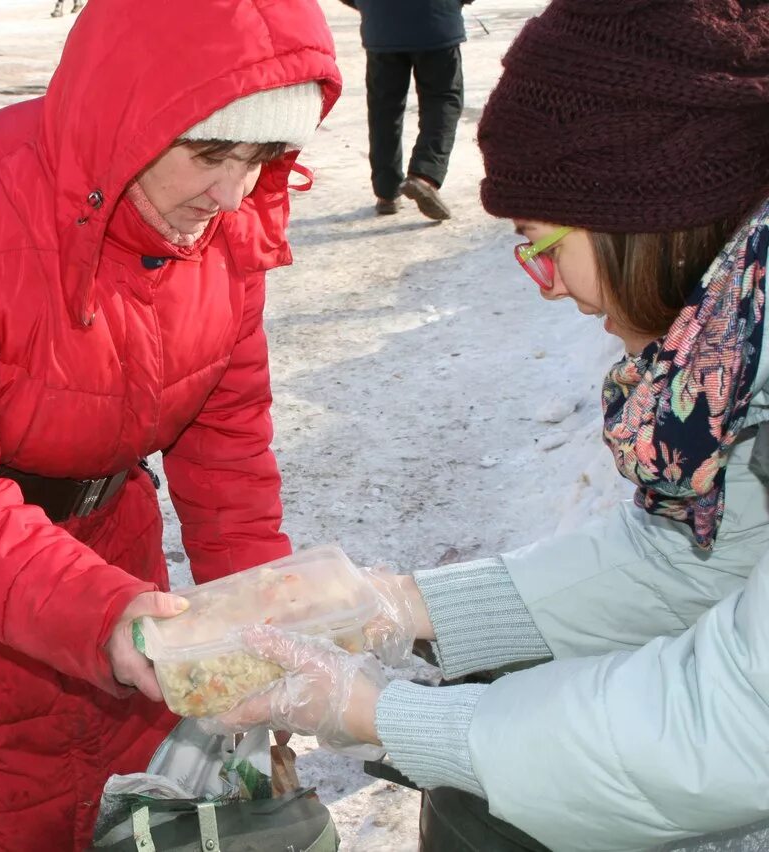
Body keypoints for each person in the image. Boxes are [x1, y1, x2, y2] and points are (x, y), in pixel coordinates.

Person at [207, 0, 769, 849]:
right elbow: (701, 559)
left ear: (644, 210)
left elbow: (737, 723)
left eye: (543, 246)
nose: (543, 285)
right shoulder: (734, 345)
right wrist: (394, 607)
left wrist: (379, 713)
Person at [0, 0, 341, 847]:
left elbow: (229, 447)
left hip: (113, 543)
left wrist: (262, 621)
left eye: (261, 157)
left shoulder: (228, 223)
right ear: (127, 120)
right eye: (210, 152)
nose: (231, 190)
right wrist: (98, 615)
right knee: (13, 811)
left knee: (131, 803)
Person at [340, 0, 468, 220]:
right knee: (443, 99)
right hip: (436, 18)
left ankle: (387, 192)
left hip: (382, 24)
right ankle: (424, 175)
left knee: (384, 108)